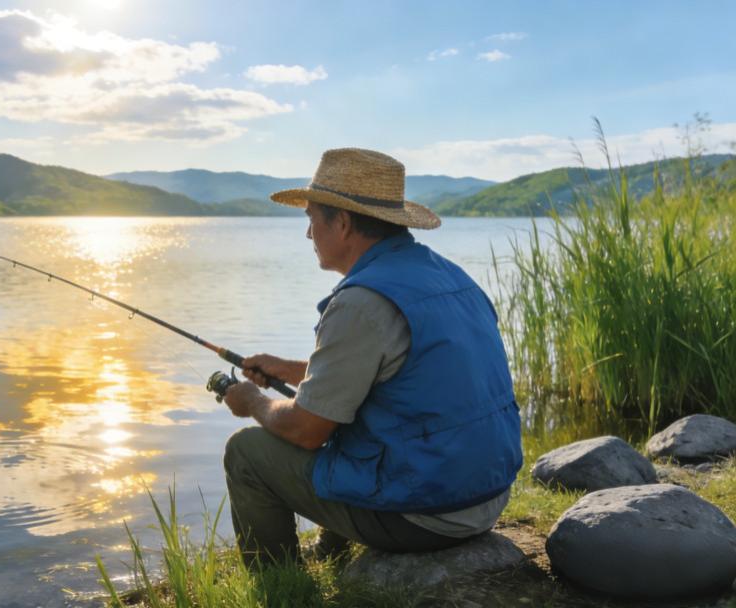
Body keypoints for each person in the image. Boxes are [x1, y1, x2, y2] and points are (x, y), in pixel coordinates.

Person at [221, 148, 523, 566]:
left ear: (342, 223)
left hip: (429, 513)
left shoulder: (361, 303)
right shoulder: (450, 276)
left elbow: (307, 430)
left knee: (247, 452)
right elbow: (404, 375)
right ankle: (333, 553)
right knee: (353, 419)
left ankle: (280, 585)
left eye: (311, 219)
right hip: (486, 494)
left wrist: (252, 402)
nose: (308, 234)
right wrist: (290, 369)